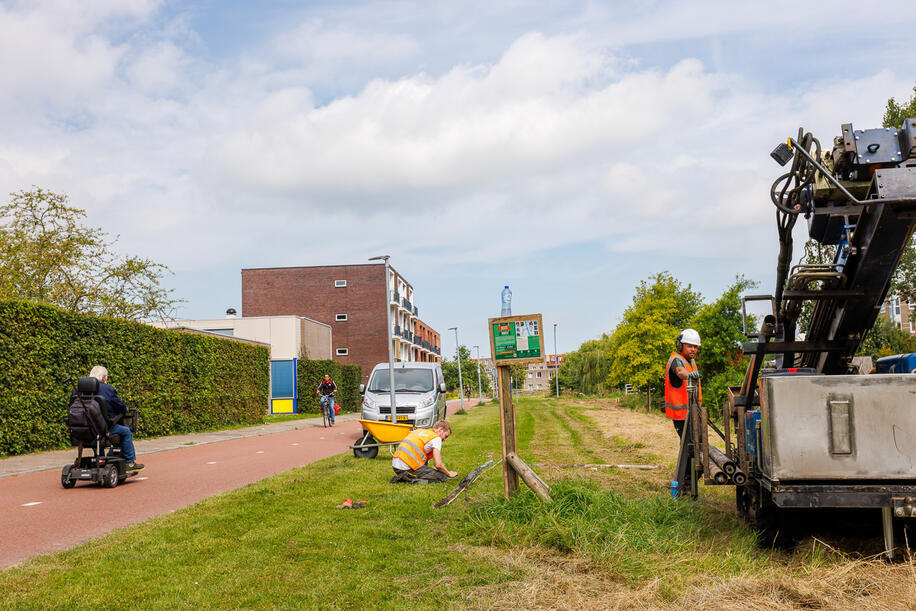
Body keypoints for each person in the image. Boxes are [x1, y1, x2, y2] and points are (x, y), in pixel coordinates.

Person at [85, 365, 144, 470]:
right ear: (103, 377)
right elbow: (119, 406)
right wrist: (124, 409)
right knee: (125, 431)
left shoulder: (78, 390)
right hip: (104, 428)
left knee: (96, 434)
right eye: (106, 377)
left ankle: (101, 457)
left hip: (84, 428)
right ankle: (130, 462)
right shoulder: (108, 389)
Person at [390, 420, 457, 484]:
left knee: (433, 471)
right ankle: (410, 480)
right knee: (441, 477)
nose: (444, 440)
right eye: (445, 436)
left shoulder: (420, 431)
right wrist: (449, 473)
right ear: (440, 430)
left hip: (396, 466)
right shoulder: (436, 438)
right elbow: (438, 464)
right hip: (406, 468)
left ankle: (405, 476)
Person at [663, 329, 702, 437]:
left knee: (698, 443)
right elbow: (680, 371)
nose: (693, 349)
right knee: (689, 446)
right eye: (689, 346)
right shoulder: (676, 360)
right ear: (680, 346)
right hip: (682, 416)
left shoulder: (691, 362)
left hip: (694, 412)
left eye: (695, 347)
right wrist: (689, 376)